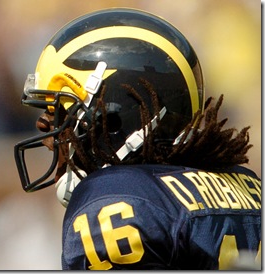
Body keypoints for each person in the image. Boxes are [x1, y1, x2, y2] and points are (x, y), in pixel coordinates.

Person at [13, 8, 261, 270]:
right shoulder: (248, 187)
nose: (46, 131)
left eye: (60, 111)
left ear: (112, 118)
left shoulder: (116, 202)